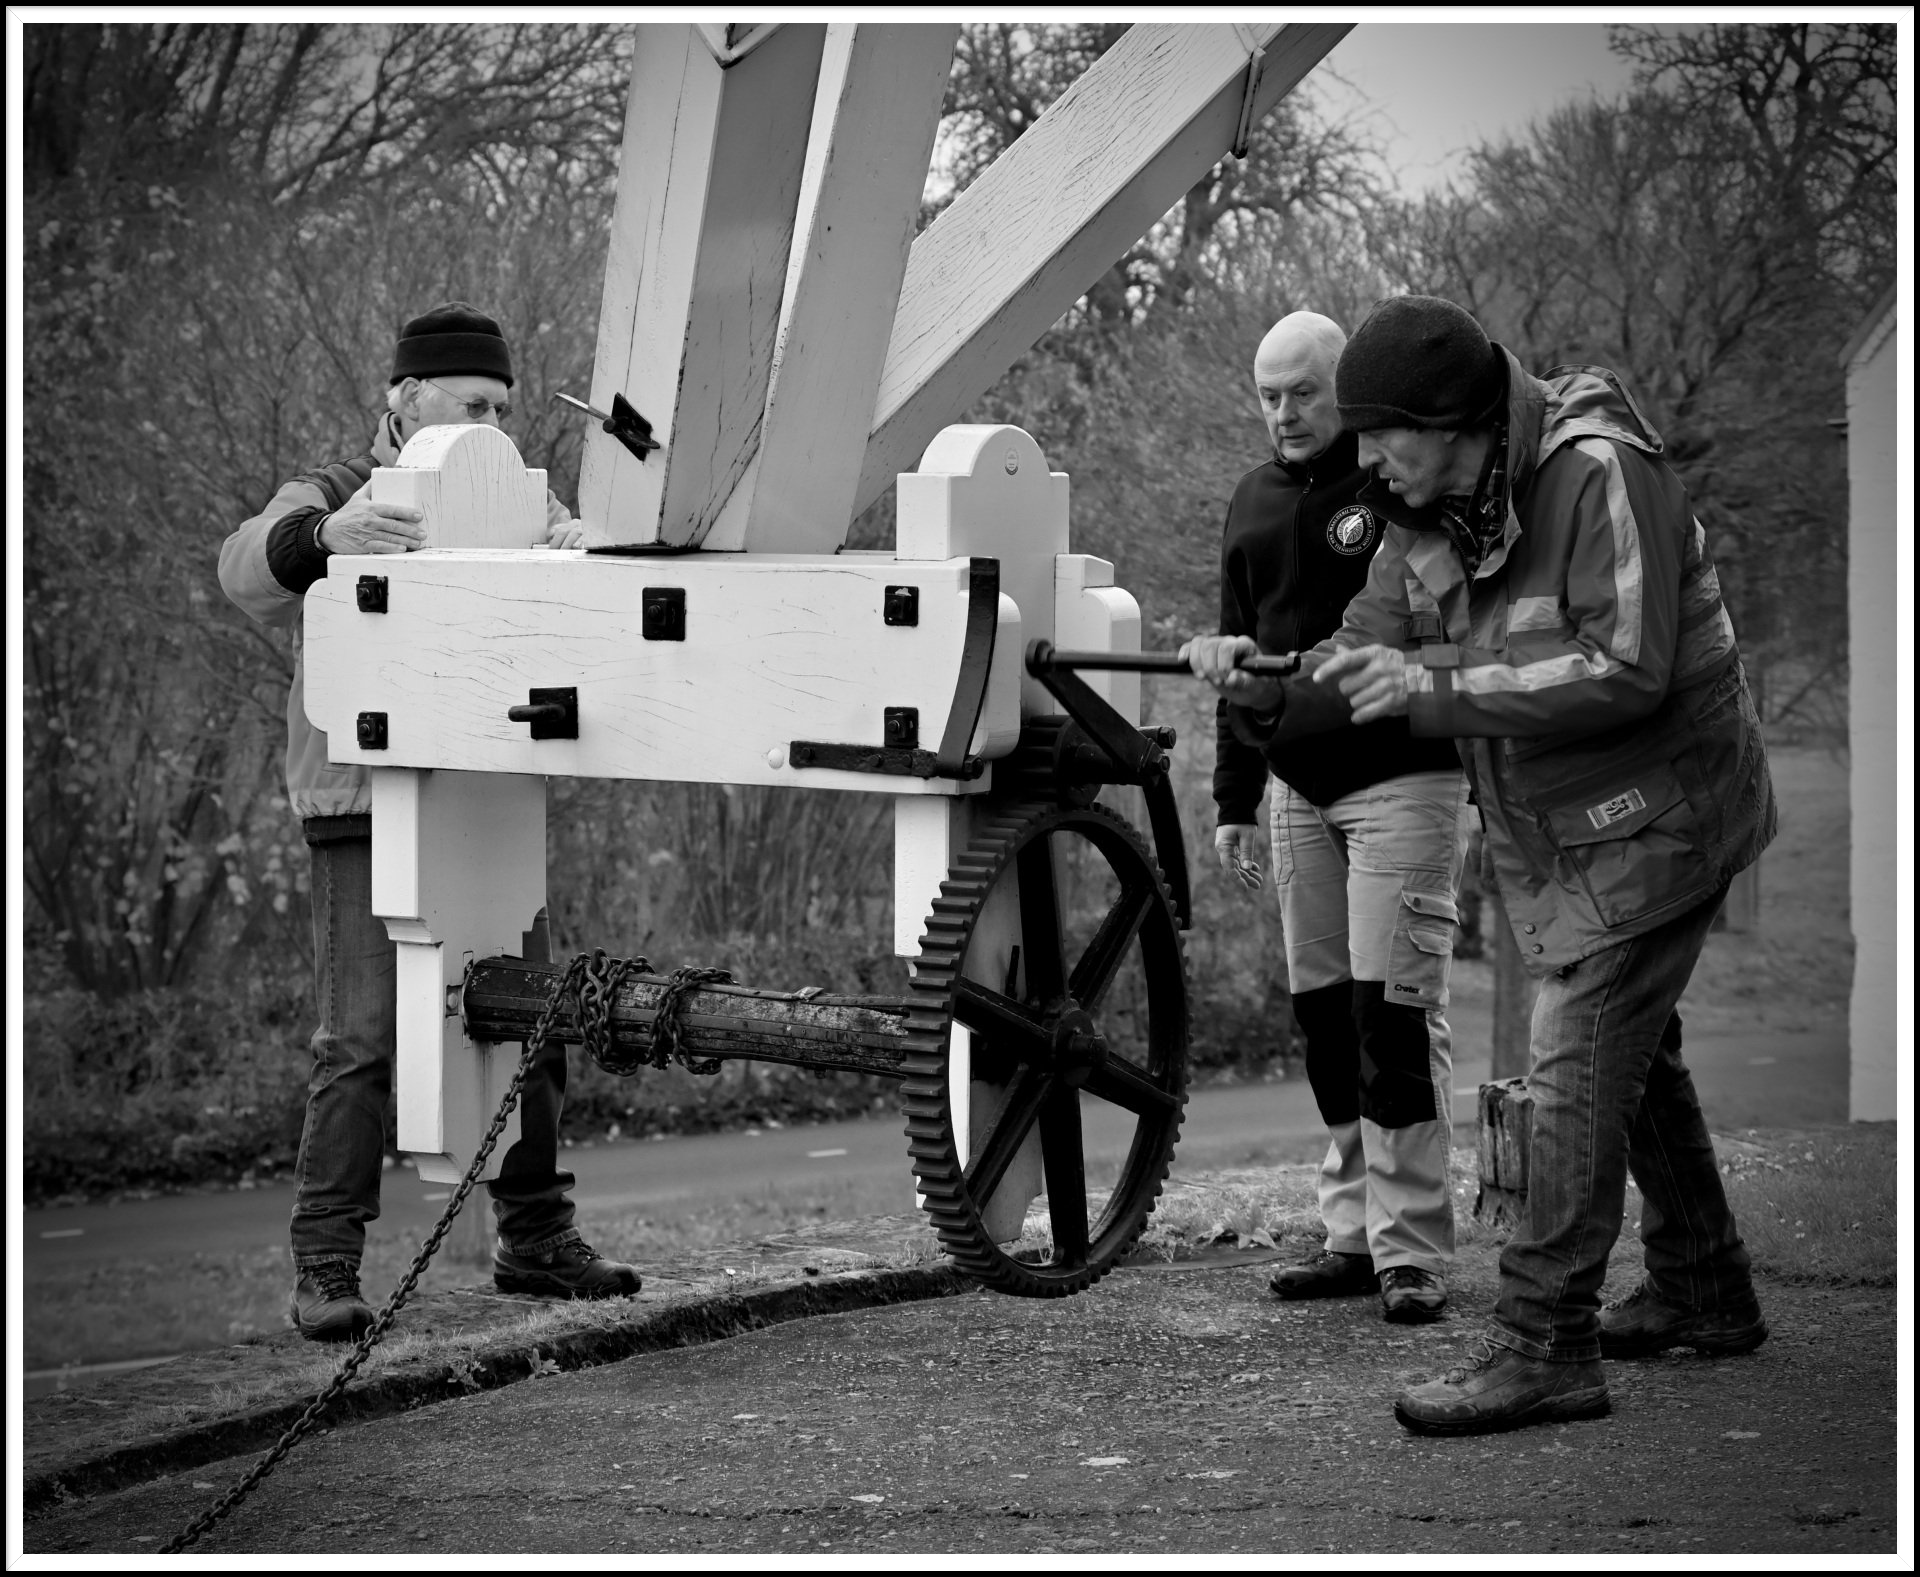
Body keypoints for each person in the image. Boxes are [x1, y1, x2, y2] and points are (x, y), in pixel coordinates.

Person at [1188, 295, 1774, 1435]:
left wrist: (1432, 687)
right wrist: (1259, 677)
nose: (1365, 464)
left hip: (1671, 814)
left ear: (1447, 423)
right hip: (1576, 831)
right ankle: (1706, 1284)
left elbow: (1627, 666)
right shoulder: (1426, 510)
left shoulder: (1600, 473)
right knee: (1633, 1055)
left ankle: (1546, 1340)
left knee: (1572, 1063)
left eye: (1379, 439)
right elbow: (1361, 650)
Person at [219, 301, 640, 1342]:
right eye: (473, 402)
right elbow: (243, 568)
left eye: (502, 406)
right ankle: (325, 1264)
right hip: (361, 802)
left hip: (488, 796)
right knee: (359, 1039)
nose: (492, 422)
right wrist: (325, 537)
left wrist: (583, 550)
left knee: (533, 1017)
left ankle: (534, 1236)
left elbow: (591, 592)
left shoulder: (519, 497)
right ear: (405, 396)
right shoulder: (335, 489)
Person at [1203, 311, 1470, 1324]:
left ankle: (1411, 1249)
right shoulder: (1251, 499)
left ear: (1344, 391)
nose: (1284, 412)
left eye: (1304, 392)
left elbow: (1453, 630)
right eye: (1268, 396)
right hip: (1294, 790)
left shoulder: (1396, 485)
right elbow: (1237, 648)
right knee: (1324, 1020)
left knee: (1391, 1014)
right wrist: (1234, 799)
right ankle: (1352, 1235)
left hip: (1403, 779)